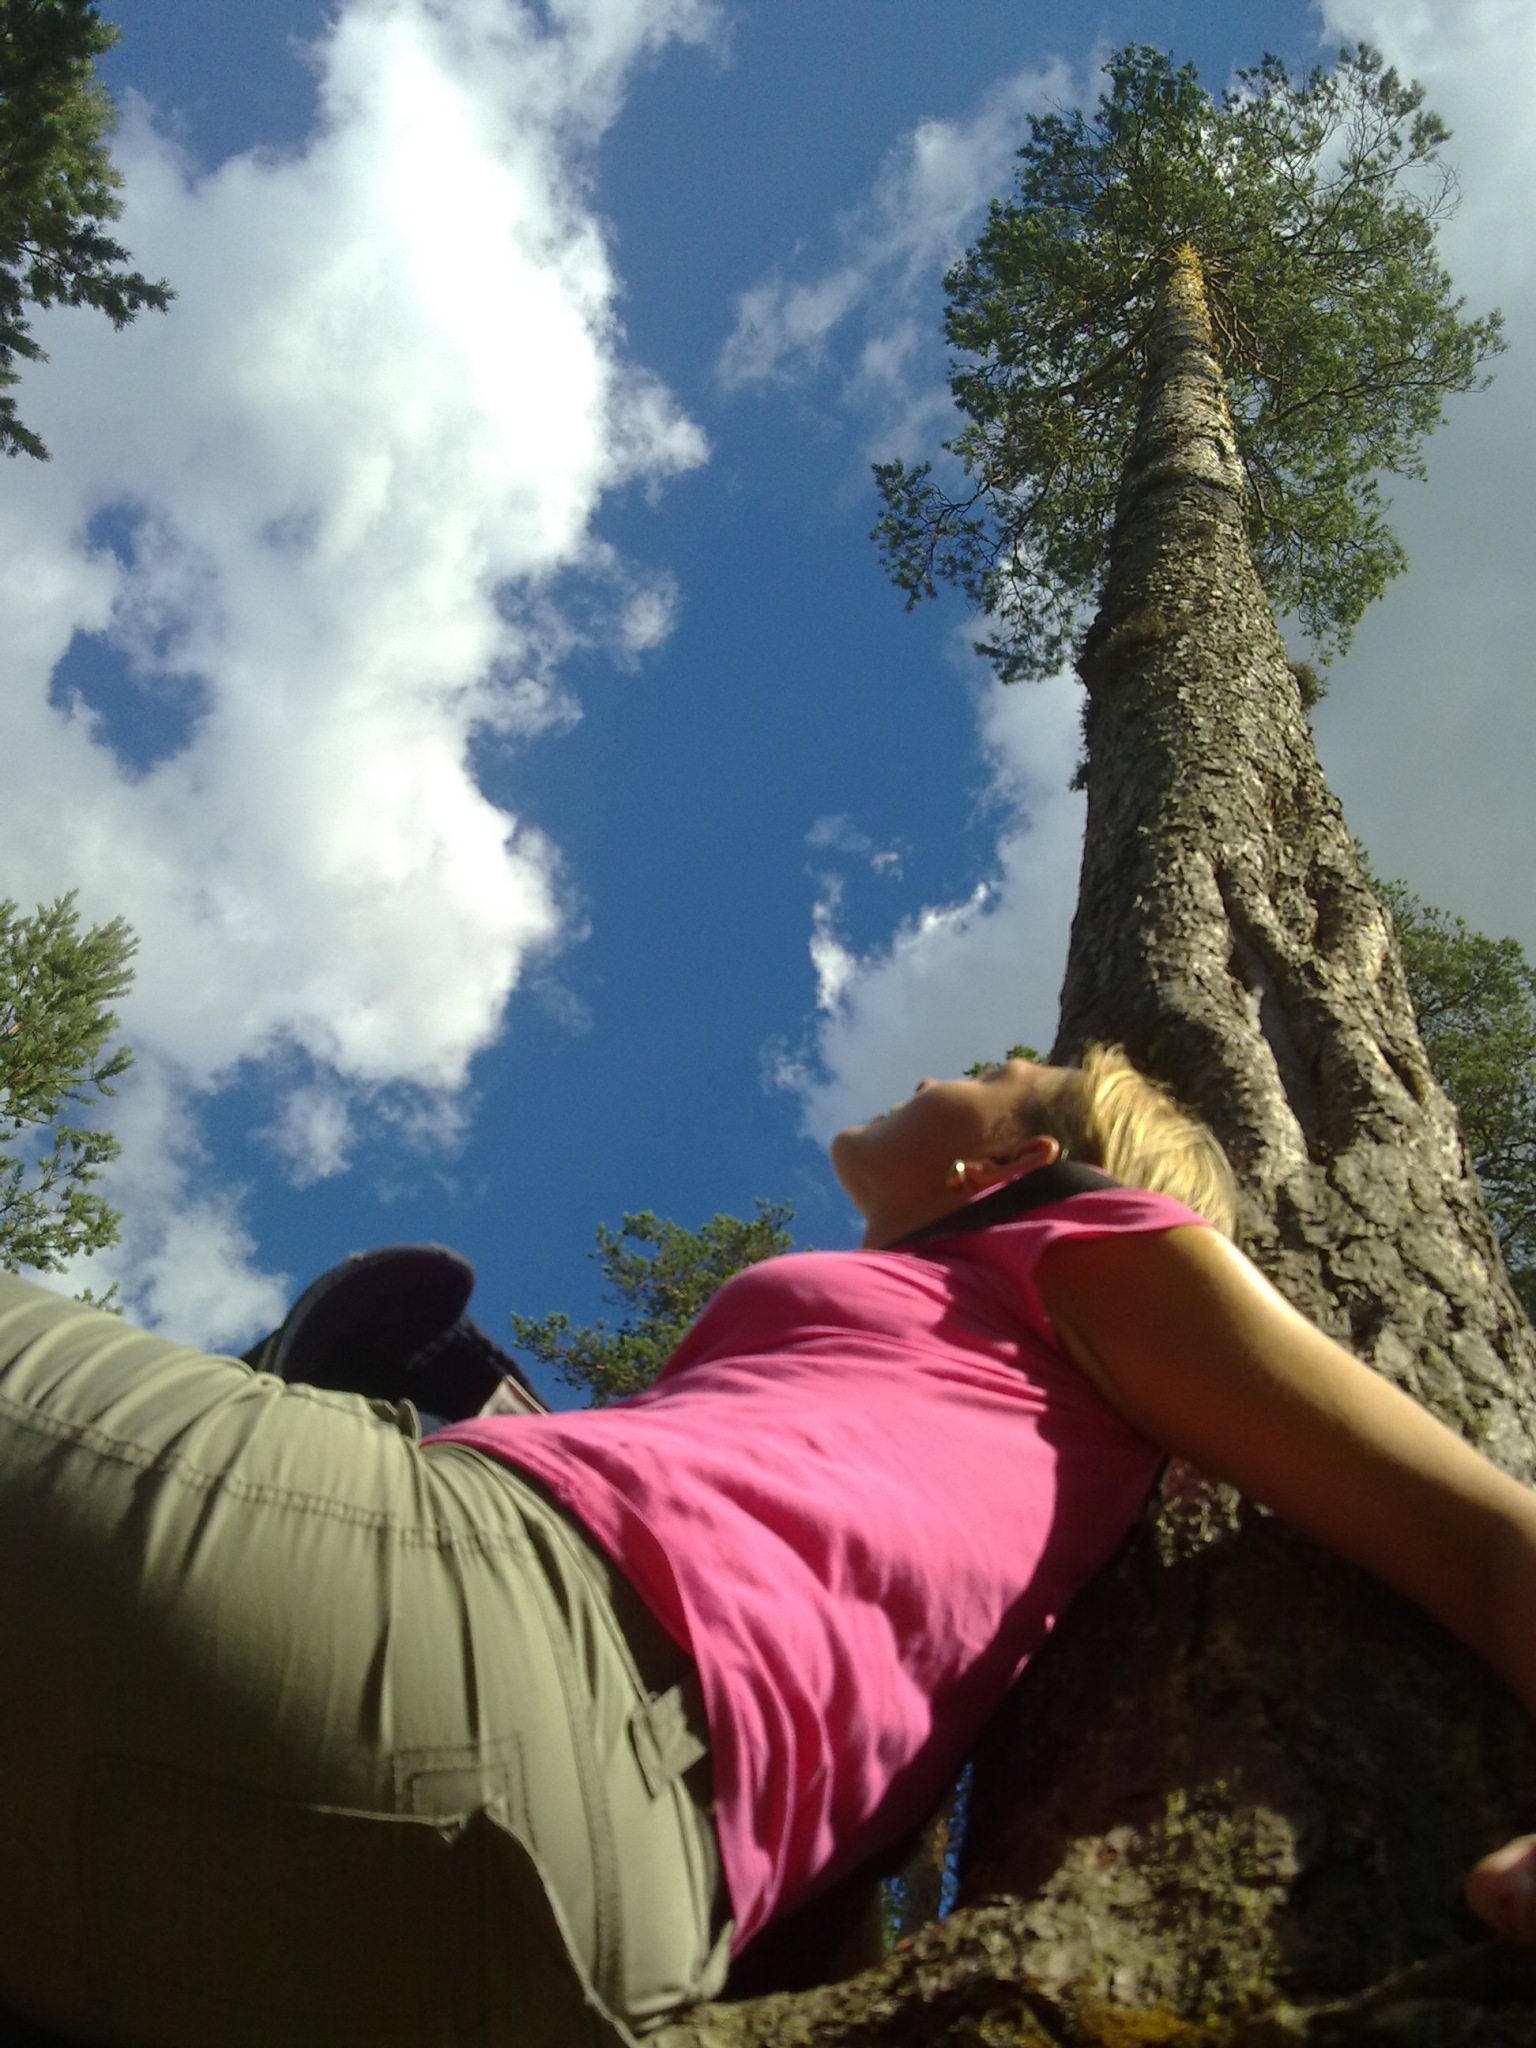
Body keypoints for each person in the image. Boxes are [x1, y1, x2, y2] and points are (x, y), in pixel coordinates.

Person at [2, 1047, 1535, 2048]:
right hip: (608, 1931)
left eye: (998, 1070)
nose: (948, 1066)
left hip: (496, 1640)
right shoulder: (952, 1411)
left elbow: (1472, 1531)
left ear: (1016, 1164)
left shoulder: (1089, 1233)